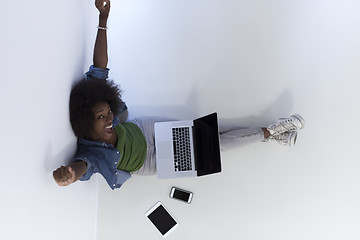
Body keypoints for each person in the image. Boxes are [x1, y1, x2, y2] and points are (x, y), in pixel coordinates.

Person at [53, 0, 305, 190]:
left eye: (108, 112)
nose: (109, 119)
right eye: (101, 118)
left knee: (210, 129)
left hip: (146, 130)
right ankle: (271, 132)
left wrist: (103, 18)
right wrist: (70, 175)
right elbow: (82, 167)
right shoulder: (93, 154)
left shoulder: (94, 95)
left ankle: (271, 133)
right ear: (86, 124)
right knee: (213, 148)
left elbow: (100, 65)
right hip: (149, 162)